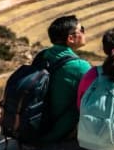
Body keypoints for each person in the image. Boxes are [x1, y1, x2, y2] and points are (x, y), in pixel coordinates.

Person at [37, 15, 92, 143]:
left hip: (37, 125)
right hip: (57, 132)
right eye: (81, 30)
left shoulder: (42, 55)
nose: (84, 33)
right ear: (71, 38)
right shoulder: (80, 66)